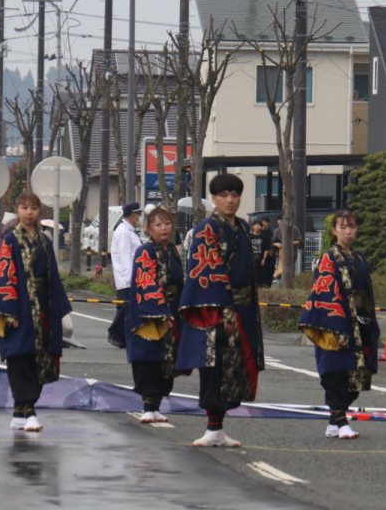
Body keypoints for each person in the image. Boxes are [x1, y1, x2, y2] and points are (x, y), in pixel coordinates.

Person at [177, 173, 264, 447]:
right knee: (213, 364)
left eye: (235, 195)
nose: (230, 200)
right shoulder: (207, 229)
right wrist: (225, 311)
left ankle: (219, 426)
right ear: (213, 199)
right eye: (223, 195)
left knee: (236, 367)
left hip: (243, 307)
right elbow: (209, 270)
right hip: (215, 309)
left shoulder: (242, 227)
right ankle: (212, 427)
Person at [0, 192, 73, 432]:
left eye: (33, 208)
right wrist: (7, 311)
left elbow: (52, 278)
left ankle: (21, 412)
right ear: (17, 211)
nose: (29, 212)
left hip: (42, 310)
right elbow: (2, 275)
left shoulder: (44, 241)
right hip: (18, 308)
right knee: (19, 357)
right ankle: (27, 410)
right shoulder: (10, 240)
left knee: (40, 359)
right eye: (24, 208)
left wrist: (58, 308)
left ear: (40, 211)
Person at [299, 210, 379, 439]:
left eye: (352, 226)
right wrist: (337, 323)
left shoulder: (360, 257)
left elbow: (367, 293)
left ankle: (335, 421)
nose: (348, 231)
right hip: (336, 322)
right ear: (334, 230)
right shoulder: (329, 258)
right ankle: (341, 422)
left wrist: (369, 322)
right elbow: (322, 293)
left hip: (360, 322)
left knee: (357, 375)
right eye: (343, 227)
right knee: (335, 372)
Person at [126, 206, 185, 423]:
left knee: (167, 360)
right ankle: (148, 406)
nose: (164, 228)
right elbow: (146, 282)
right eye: (158, 224)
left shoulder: (173, 250)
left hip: (172, 310)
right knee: (149, 359)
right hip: (150, 314)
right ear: (149, 229)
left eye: (167, 223)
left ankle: (157, 404)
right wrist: (160, 311)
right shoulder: (146, 251)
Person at [107, 202, 143, 348]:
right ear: (133, 215)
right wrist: (130, 278)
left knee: (127, 308)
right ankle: (115, 334)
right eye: (138, 214)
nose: (140, 217)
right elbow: (125, 256)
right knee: (124, 308)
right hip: (126, 277)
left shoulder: (129, 231)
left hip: (130, 276)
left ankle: (122, 336)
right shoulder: (123, 232)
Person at [272, 216, 303, 281]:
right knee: (280, 272)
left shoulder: (294, 229)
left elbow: (299, 241)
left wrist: (288, 243)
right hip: (280, 255)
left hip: (291, 254)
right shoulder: (276, 230)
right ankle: (280, 286)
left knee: (290, 273)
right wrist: (276, 244)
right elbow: (273, 242)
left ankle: (289, 288)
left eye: (281, 222)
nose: (280, 223)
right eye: (279, 222)